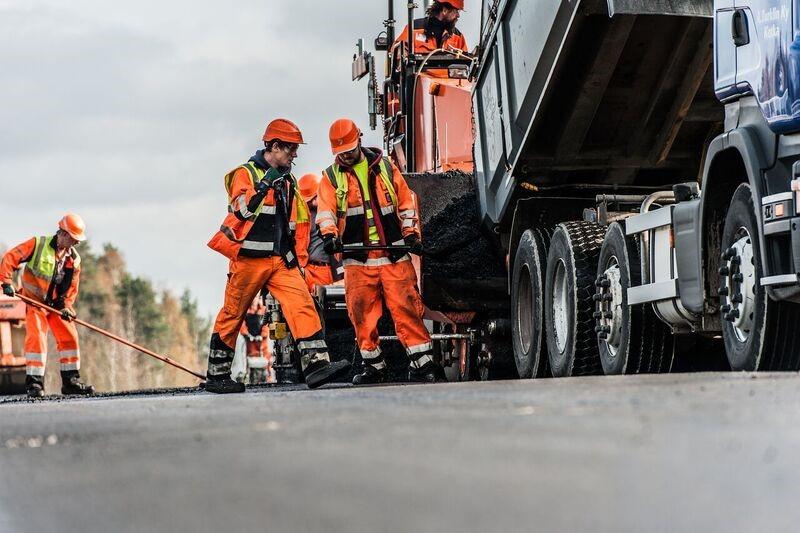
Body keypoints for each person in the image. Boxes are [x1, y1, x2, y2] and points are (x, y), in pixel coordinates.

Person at [206, 118, 350, 393]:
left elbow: (297, 223)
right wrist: (265, 186)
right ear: (274, 146)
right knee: (233, 314)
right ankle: (217, 375)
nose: (294, 155)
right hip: (248, 259)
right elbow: (242, 211)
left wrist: (297, 260)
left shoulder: (288, 180)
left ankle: (316, 365)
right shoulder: (245, 174)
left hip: (281, 261)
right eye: (291, 149)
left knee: (302, 305)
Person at [316, 118, 440, 385]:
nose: (346, 156)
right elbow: (325, 212)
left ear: (359, 139)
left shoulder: (385, 167)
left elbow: (406, 203)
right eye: (341, 153)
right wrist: (329, 235)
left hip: (393, 254)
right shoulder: (330, 178)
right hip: (357, 260)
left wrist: (411, 234)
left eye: (349, 149)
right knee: (361, 314)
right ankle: (374, 367)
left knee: (406, 309)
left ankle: (424, 365)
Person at [0, 214, 94, 398]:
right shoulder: (38, 245)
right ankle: (34, 385)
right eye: (74, 239)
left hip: (56, 306)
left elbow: (71, 289)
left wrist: (66, 307)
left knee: (70, 336)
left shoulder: (74, 260)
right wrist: (6, 281)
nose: (76, 243)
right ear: (63, 234)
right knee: (37, 338)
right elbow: (11, 258)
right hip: (35, 303)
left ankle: (71, 382)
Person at [296, 173, 343, 293]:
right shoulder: (303, 214)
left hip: (325, 269)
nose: (309, 203)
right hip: (306, 269)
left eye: (312, 199)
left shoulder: (332, 212)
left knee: (325, 305)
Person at [394, 0, 468, 54]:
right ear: (444, 10)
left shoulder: (458, 37)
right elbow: (396, 52)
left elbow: (466, 61)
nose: (458, 15)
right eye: (456, 11)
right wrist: (402, 53)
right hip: (419, 75)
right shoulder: (414, 29)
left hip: (449, 76)